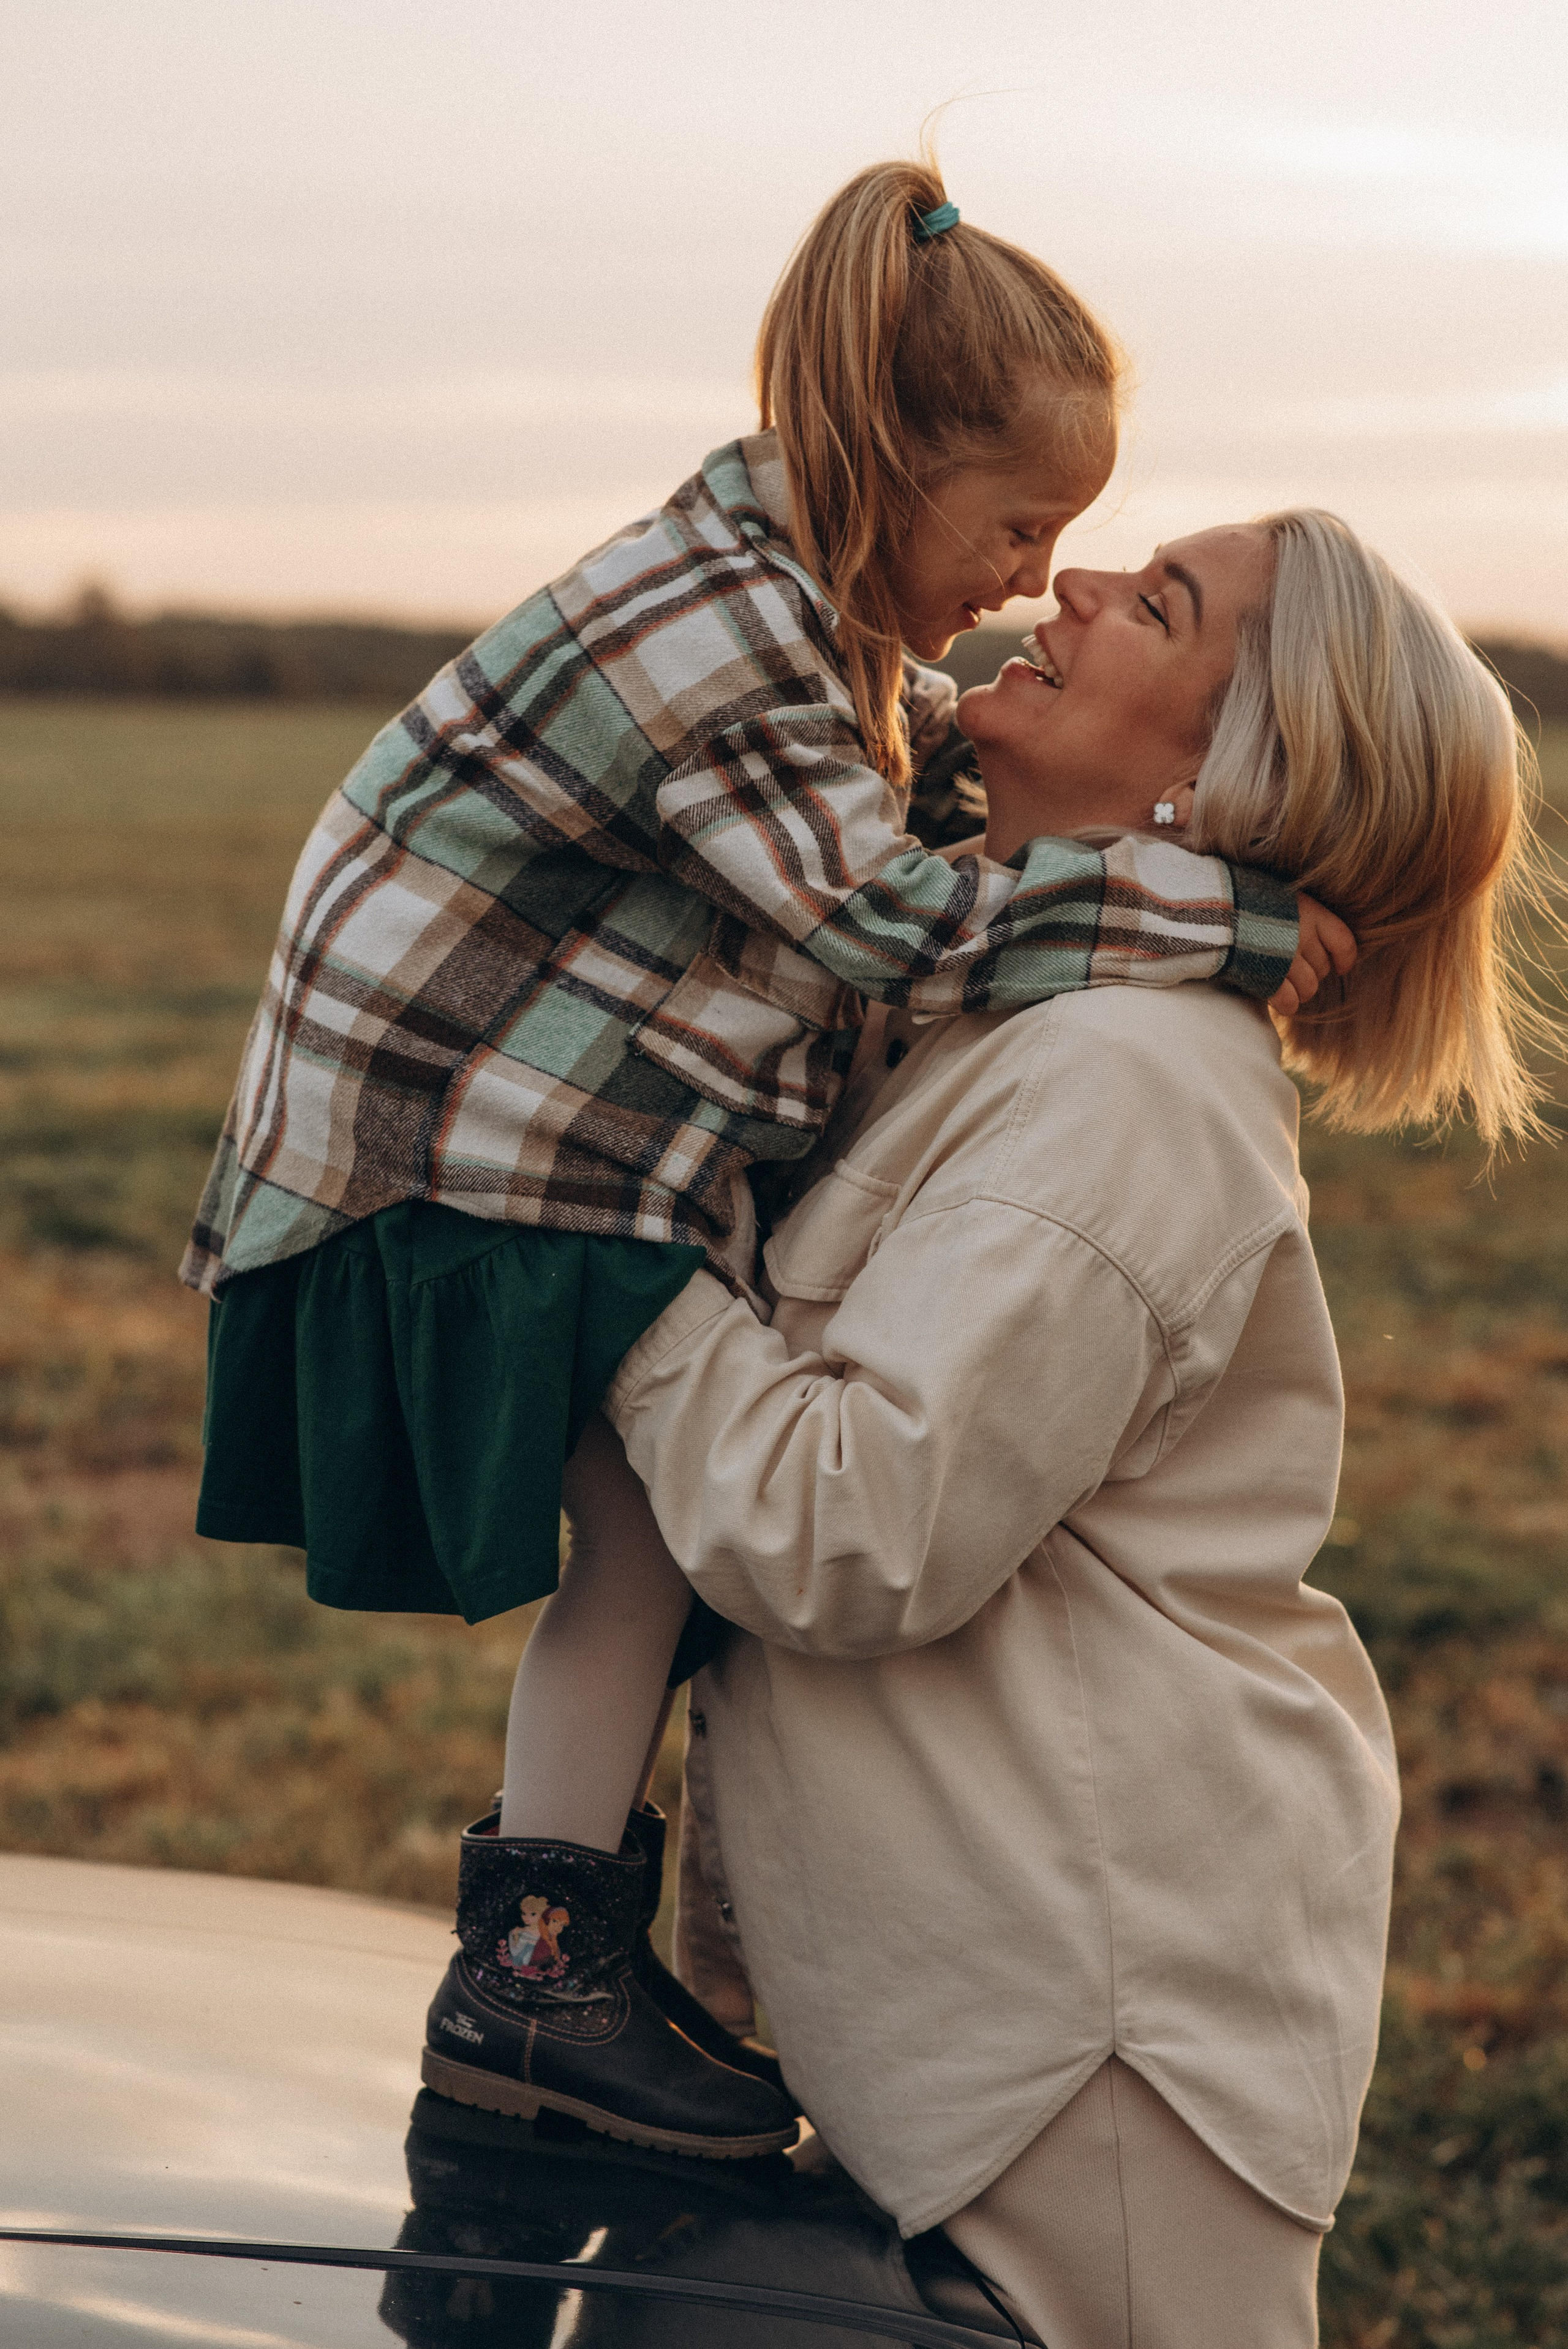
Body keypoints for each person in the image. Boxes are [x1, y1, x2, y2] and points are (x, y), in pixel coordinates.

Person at [183, 157, 1344, 2159]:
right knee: (645, 1543)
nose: (1030, 574)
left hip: (506, 1125)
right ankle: (539, 1964)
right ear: (889, 462)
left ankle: (545, 1955)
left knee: (643, 1555)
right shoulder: (721, 634)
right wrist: (1216, 914)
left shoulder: (796, 617)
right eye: (1017, 526)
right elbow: (886, 926)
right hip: (459, 1137)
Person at [601, 510, 1553, 2340]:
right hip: (993, 1989)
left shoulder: (1128, 1080)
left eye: (1161, 604)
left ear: (1220, 781)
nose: (1077, 582)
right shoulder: (1012, 1008)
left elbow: (846, 1526)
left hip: (1096, 2036)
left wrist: (603, 1256)